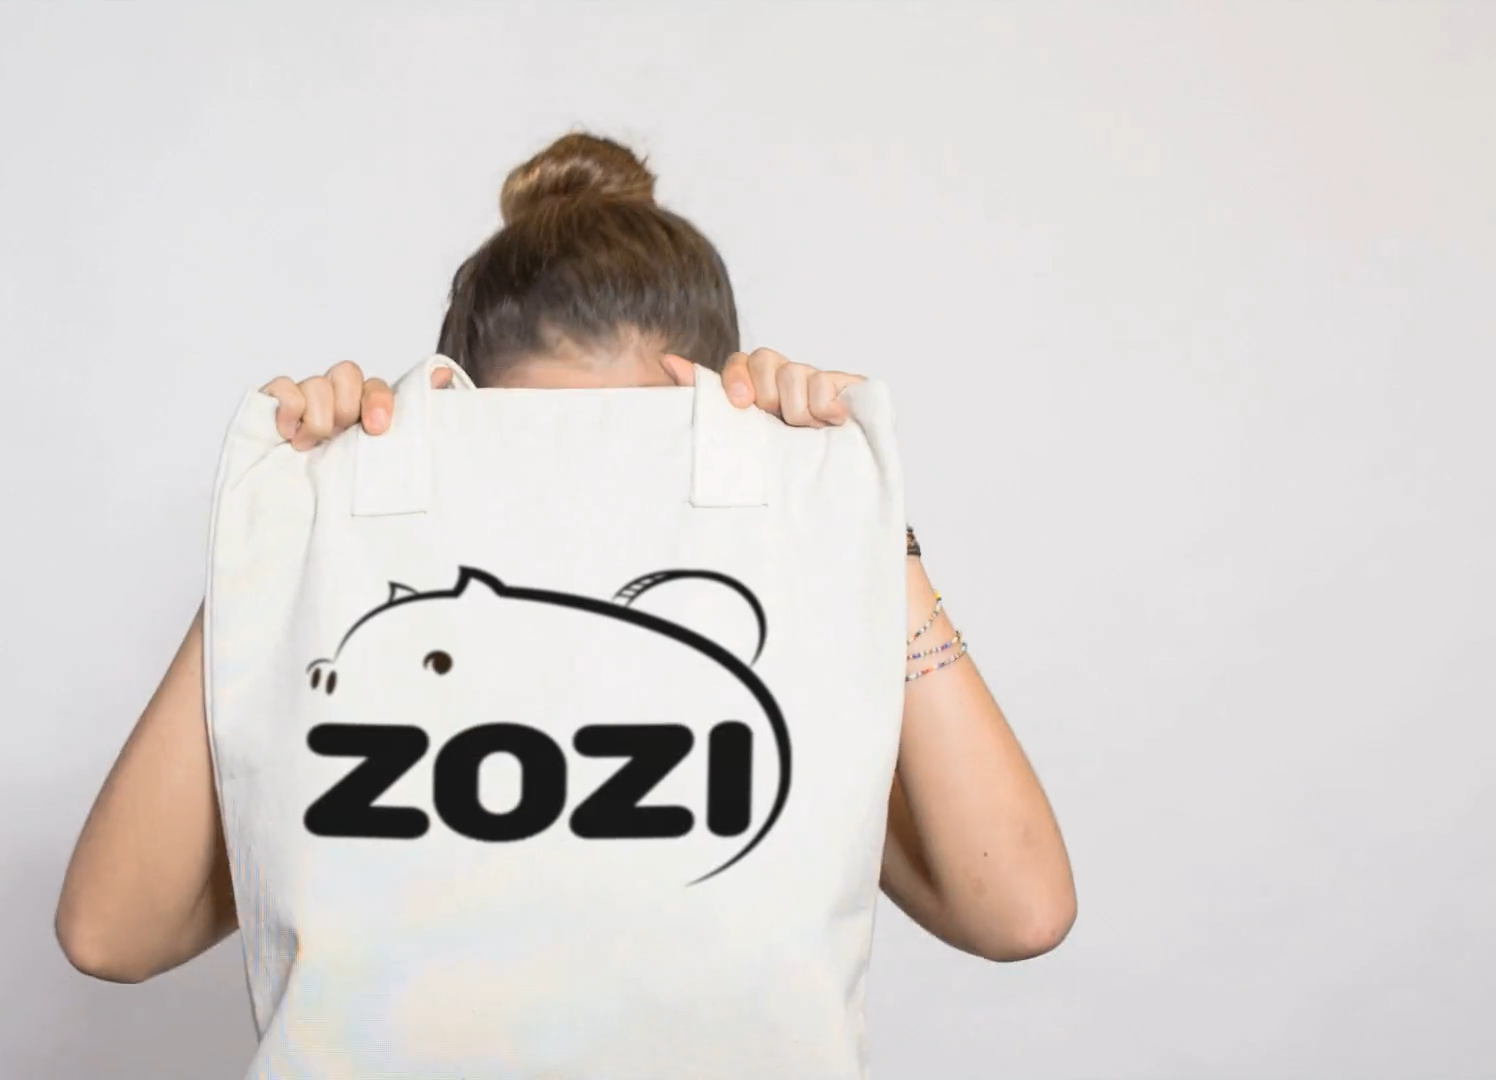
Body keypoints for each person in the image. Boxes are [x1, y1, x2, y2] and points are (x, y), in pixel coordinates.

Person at [55, 133, 1075, 991]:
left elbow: (1019, 910)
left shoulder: (784, 616)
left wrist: (860, 515)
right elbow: (113, 934)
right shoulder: (369, 634)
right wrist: (283, 533)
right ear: (458, 422)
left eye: (630, 452)